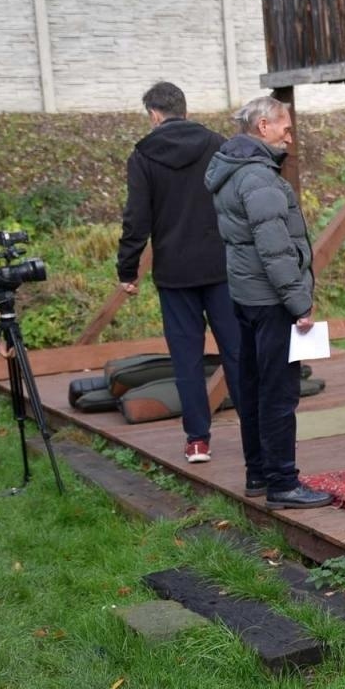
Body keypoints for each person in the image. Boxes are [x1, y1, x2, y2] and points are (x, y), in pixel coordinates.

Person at [205, 95, 331, 510]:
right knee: (278, 393)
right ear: (263, 126)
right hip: (271, 298)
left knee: (254, 386)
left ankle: (258, 472)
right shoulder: (258, 177)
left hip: (244, 294)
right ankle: (282, 482)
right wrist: (299, 302)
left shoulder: (232, 169)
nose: (289, 138)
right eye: (285, 128)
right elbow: (274, 247)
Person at [117, 81, 241, 465]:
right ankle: (255, 428)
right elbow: (237, 201)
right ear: (184, 109)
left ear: (155, 115)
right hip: (222, 267)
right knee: (238, 352)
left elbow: (137, 218)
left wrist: (128, 267)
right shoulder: (219, 144)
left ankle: (197, 441)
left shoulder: (143, 156)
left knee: (186, 359)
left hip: (174, 274)